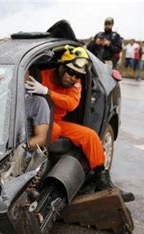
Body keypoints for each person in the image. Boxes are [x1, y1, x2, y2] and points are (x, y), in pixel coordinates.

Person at [25, 45, 114, 191]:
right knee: (54, 130)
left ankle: (101, 177)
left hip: (57, 120)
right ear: (61, 67)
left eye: (78, 75)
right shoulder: (40, 76)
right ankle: (35, 166)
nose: (74, 78)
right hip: (38, 120)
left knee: (90, 136)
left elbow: (71, 104)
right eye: (71, 72)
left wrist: (47, 92)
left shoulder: (75, 83)